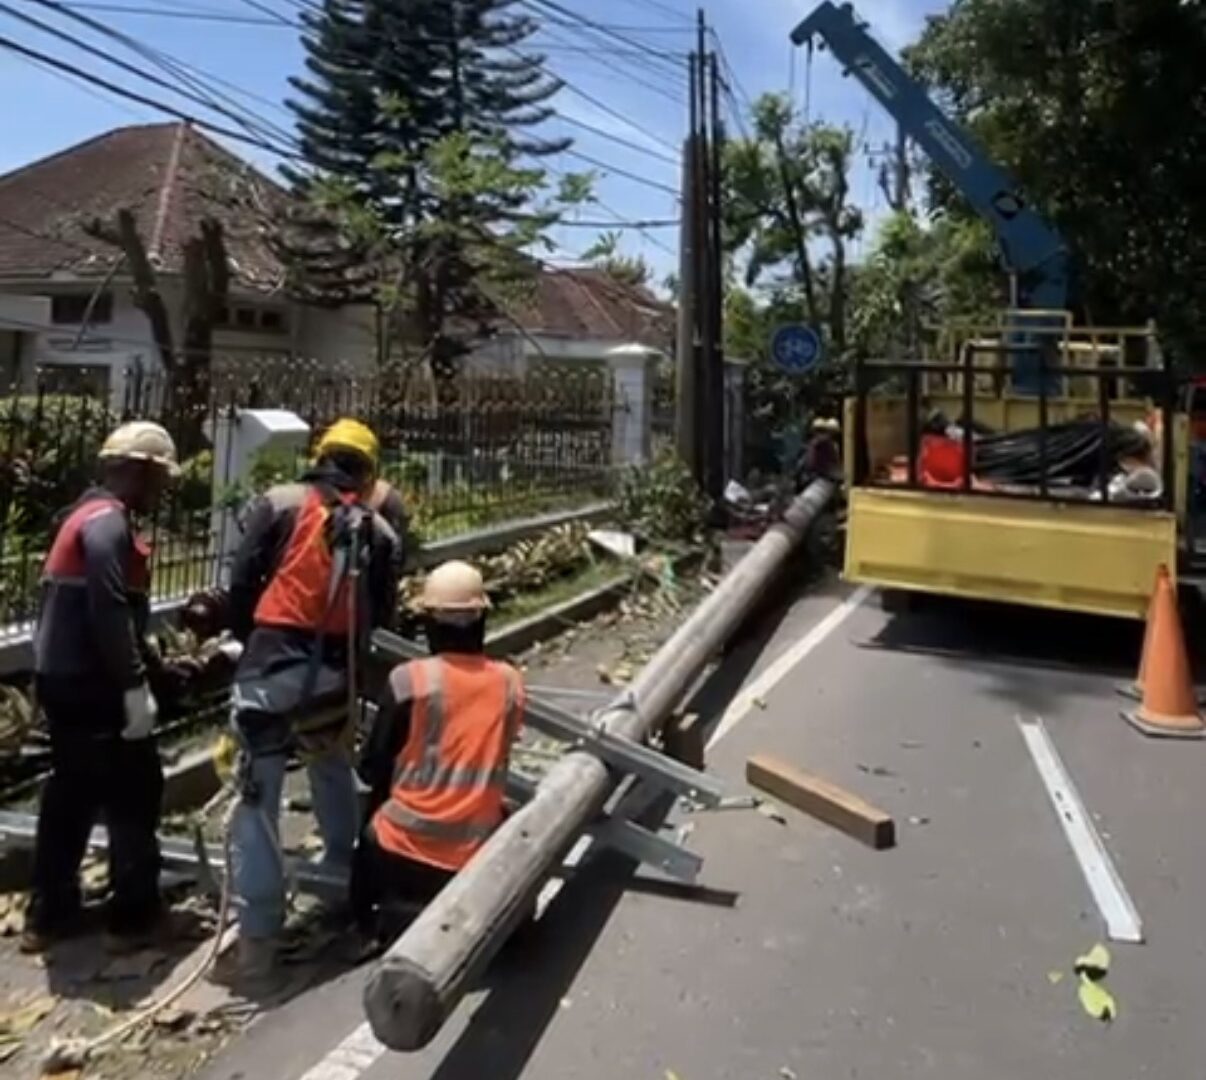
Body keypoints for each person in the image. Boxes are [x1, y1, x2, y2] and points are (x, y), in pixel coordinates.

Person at [225, 418, 401, 978]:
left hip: (270, 668)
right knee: (331, 765)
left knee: (257, 798)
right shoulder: (380, 532)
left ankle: (258, 937)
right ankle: (342, 875)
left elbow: (241, 584)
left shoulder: (277, 503)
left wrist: (247, 644)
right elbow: (381, 615)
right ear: (368, 474)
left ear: (319, 455)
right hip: (334, 678)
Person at [23, 421, 180, 953]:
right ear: (139, 471)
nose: (162, 491)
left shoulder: (81, 517)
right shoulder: (107, 524)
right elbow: (107, 608)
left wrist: (153, 663)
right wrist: (135, 686)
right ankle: (135, 917)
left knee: (72, 792)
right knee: (134, 789)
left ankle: (50, 913)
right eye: (160, 479)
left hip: (61, 677)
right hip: (96, 683)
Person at [350, 560, 524, 944]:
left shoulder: (409, 680)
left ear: (429, 623)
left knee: (370, 824)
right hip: (476, 848)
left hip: (403, 848)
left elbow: (372, 768)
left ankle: (363, 926)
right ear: (482, 619)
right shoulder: (510, 683)